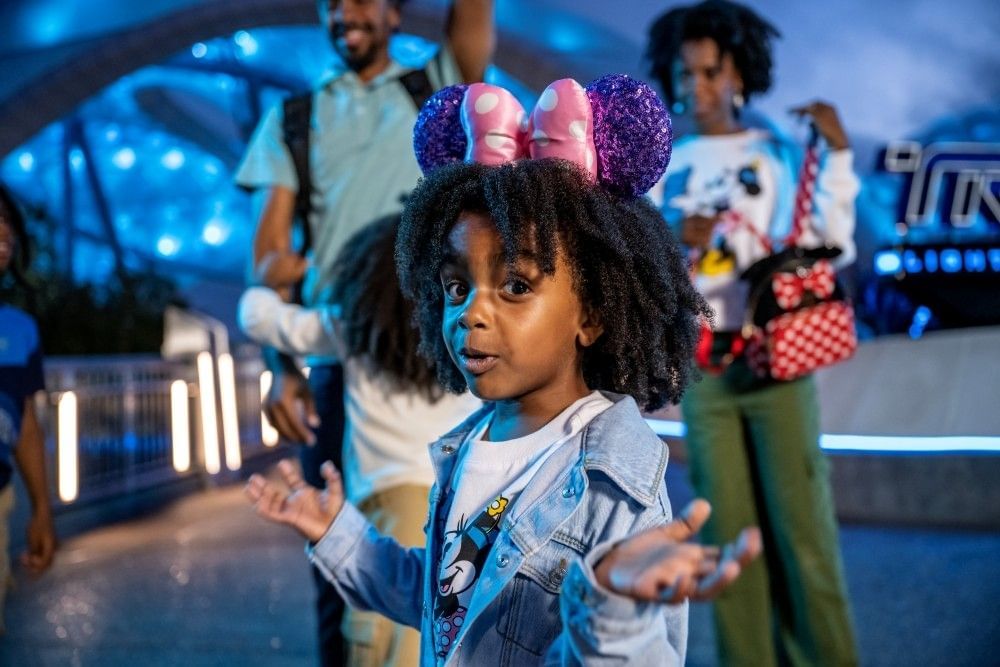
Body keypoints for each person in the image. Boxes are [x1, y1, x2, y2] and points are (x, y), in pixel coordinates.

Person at [247, 75, 762, 664]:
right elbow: (447, 600)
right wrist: (339, 536)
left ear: (591, 313)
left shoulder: (616, 482)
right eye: (456, 286)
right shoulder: (471, 444)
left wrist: (613, 607)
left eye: (516, 285)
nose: (471, 313)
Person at [235, 1, 494, 662]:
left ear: (397, 14)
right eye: (333, 2)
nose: (346, 11)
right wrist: (282, 366)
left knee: (458, 542)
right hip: (344, 358)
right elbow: (266, 264)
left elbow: (472, 19)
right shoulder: (292, 118)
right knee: (335, 547)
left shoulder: (433, 87)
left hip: (438, 347)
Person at [646, 2, 859, 664]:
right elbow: (641, 270)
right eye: (685, 75)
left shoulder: (776, 152)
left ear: (739, 72)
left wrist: (841, 154)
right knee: (730, 543)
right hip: (706, 372)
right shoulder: (667, 162)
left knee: (803, 536)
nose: (697, 88)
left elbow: (830, 244)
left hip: (778, 364)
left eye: (710, 72)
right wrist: (668, 238)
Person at [239, 213, 481, 665]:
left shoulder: (348, 326)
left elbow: (259, 319)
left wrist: (271, 280)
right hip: (461, 507)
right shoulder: (465, 339)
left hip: (384, 511)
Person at [0, 184, 56, 633]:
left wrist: (41, 509)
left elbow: (26, 424)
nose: (4, 234)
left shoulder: (20, 330)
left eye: (8, 224)